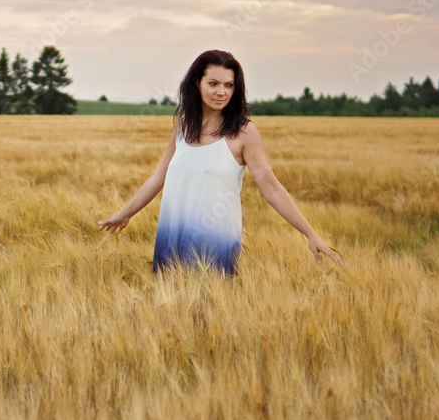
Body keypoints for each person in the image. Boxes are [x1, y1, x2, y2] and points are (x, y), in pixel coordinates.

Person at [98, 50, 344, 276]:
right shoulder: (184, 126)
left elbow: (272, 188)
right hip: (172, 236)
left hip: (214, 243)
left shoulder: (244, 132)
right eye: (213, 83)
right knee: (171, 316)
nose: (221, 92)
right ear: (197, 83)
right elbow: (158, 177)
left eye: (229, 85)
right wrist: (124, 214)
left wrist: (310, 234)